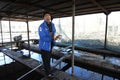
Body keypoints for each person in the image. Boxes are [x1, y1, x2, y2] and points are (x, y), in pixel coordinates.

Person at [38, 12, 60, 76]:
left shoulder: (52, 25)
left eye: (49, 16)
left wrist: (56, 37)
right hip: (44, 45)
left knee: (48, 58)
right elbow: (43, 37)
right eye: (46, 16)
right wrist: (53, 39)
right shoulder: (41, 26)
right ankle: (48, 73)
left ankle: (46, 69)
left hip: (50, 44)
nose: (48, 17)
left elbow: (54, 32)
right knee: (46, 59)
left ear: (50, 17)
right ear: (44, 18)